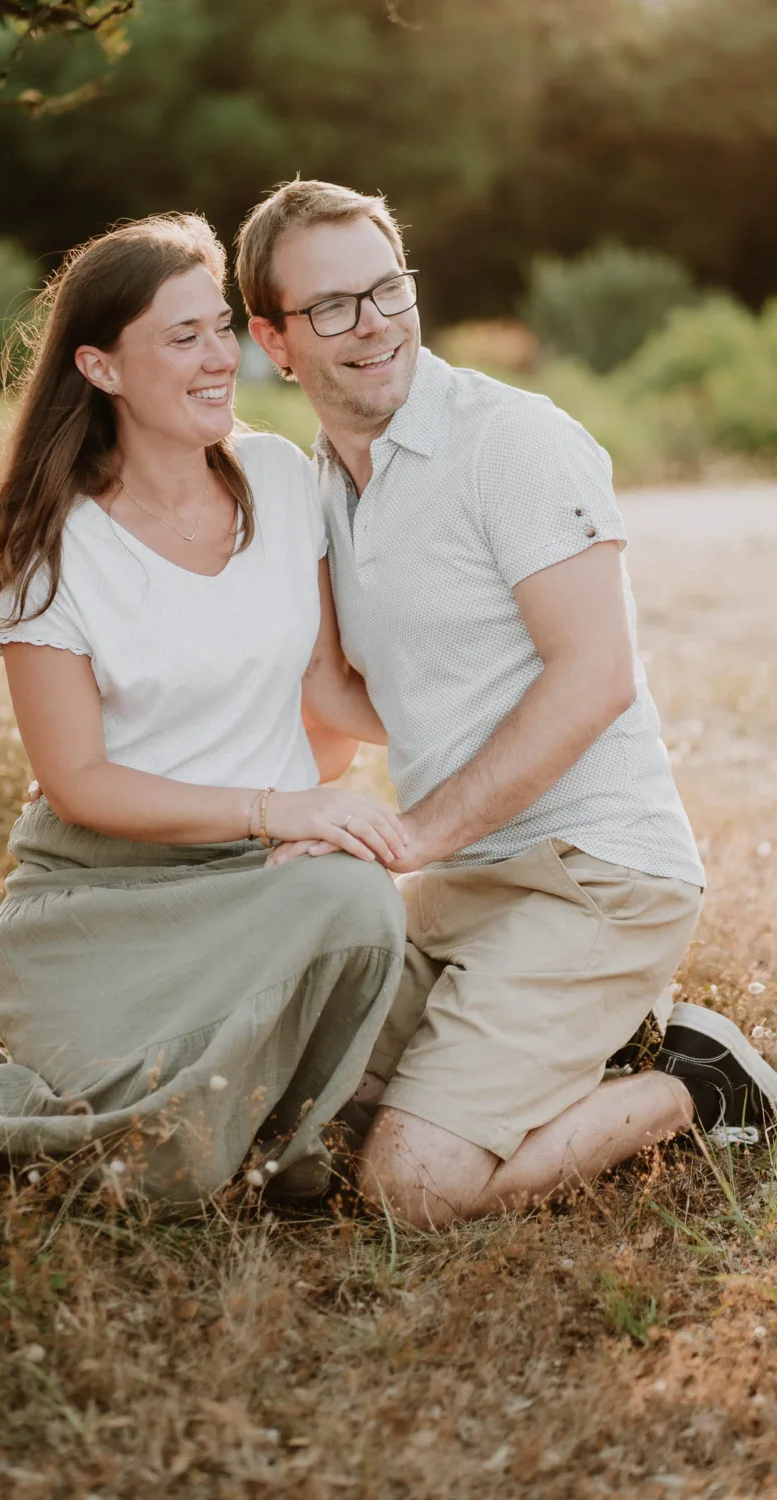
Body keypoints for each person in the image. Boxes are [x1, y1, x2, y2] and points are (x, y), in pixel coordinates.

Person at [234, 179, 777, 1229]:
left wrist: (415, 832)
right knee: (289, 1122)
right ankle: (590, 1041)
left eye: (386, 288)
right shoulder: (316, 478)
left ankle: (700, 1085)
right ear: (273, 338)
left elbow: (594, 674)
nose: (374, 323)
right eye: (332, 307)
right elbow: (341, 694)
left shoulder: (510, 442)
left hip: (596, 878)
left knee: (408, 1192)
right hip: (465, 885)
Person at [0, 213, 410, 1208]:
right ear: (102, 366)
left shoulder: (284, 482)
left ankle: (276, 1130)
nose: (219, 359)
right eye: (182, 338)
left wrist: (486, 712)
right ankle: (267, 1126)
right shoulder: (48, 548)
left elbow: (328, 693)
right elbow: (79, 782)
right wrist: (275, 807)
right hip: (113, 898)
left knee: (357, 899)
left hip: (269, 880)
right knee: (135, 1136)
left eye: (220, 328)